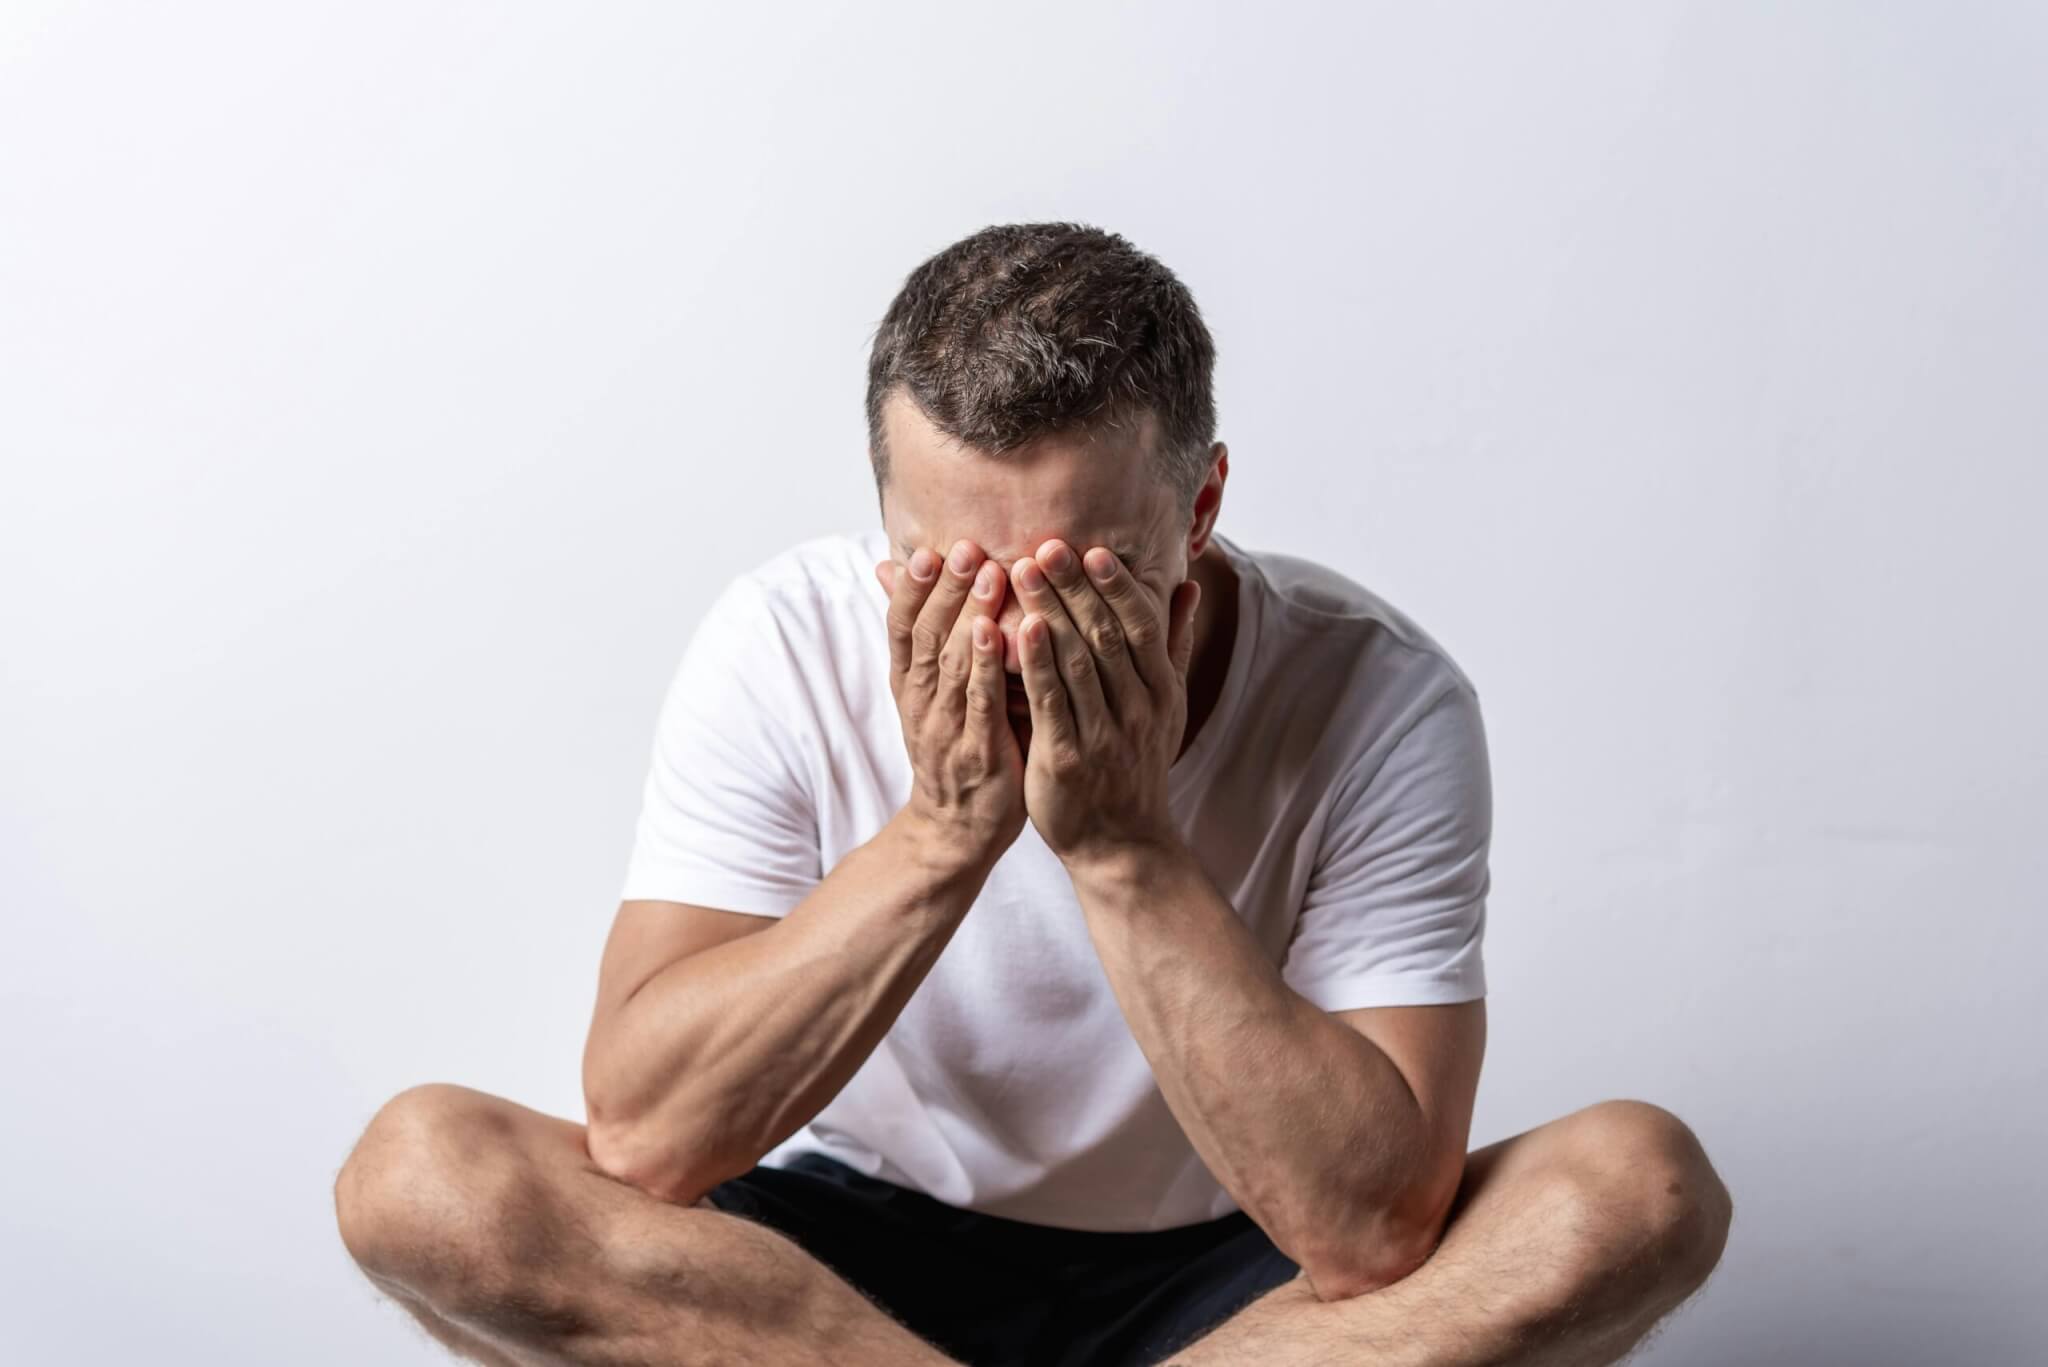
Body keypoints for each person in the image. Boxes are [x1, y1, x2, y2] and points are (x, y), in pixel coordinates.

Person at [334, 222, 1733, 1366]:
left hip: (1242, 1281)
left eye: (1080, 576)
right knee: (423, 1175)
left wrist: (1124, 849)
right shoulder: (781, 641)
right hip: (840, 1270)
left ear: (1200, 509)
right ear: (883, 511)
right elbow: (649, 1138)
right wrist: (942, 833)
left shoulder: (1378, 694)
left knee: (1635, 1188)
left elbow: (1371, 1233)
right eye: (947, 573)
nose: (1009, 636)